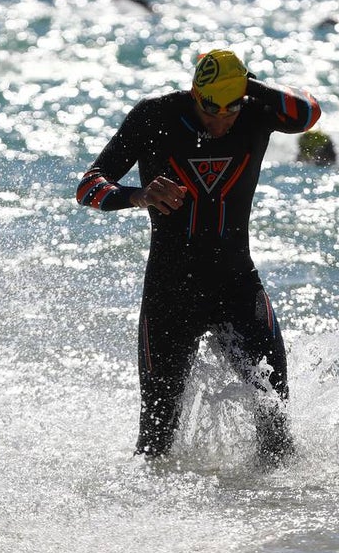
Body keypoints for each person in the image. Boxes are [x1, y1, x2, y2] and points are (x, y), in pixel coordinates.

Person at [75, 49, 321, 464]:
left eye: (230, 110)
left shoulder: (257, 111)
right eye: (210, 109)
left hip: (237, 285)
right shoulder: (156, 116)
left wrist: (246, 84)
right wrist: (137, 196)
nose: (219, 121)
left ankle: (278, 522)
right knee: (155, 441)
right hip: (170, 292)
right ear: (194, 93)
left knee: (276, 426)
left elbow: (308, 112)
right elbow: (88, 187)